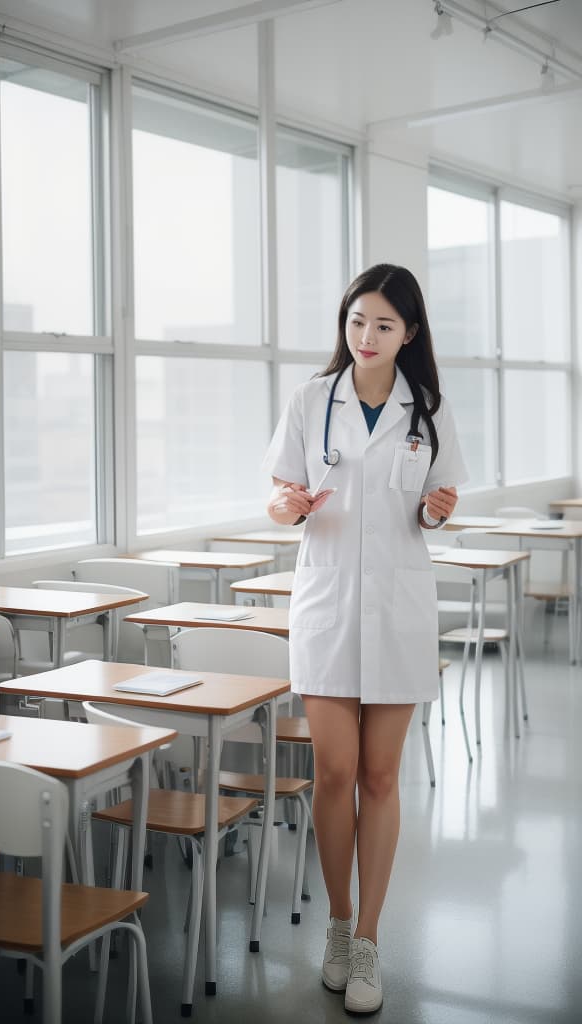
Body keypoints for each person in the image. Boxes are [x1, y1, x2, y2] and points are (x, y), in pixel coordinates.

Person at [263, 263, 468, 1015]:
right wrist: (285, 505)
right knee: (334, 773)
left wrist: (438, 511)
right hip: (324, 603)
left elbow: (438, 507)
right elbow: (279, 497)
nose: (366, 337)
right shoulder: (311, 400)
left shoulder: (431, 410)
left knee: (381, 778)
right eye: (356, 321)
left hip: (399, 607)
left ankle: (371, 941)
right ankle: (338, 927)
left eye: (383, 324)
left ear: (408, 332)